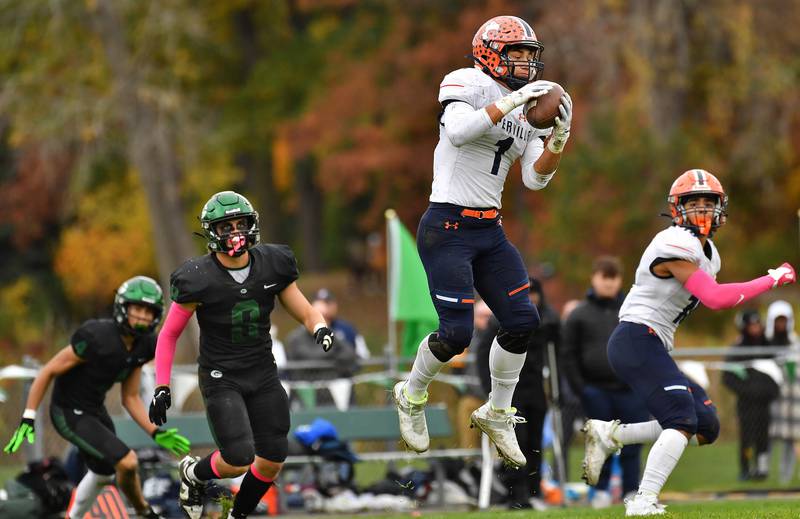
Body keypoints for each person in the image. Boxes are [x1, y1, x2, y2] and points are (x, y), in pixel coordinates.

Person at [392, 14, 573, 469]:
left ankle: (497, 412)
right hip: (447, 225)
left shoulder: (528, 105)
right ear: (490, 53)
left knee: (521, 321)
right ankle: (411, 394)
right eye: (516, 54)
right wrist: (511, 102)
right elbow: (458, 131)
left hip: (488, 229)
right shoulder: (466, 81)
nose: (525, 65)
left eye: (530, 57)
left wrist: (558, 139)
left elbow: (535, 180)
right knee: (456, 334)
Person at [580, 169, 796, 516]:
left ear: (720, 209)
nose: (701, 210)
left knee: (706, 424)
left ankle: (612, 436)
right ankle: (643, 499)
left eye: (707, 203)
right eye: (692, 203)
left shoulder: (710, 254)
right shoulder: (673, 243)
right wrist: (771, 278)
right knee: (680, 417)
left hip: (652, 342)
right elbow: (716, 298)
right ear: (676, 209)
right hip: (636, 337)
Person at [147, 191, 336, 519]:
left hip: (262, 370)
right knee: (237, 458)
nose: (235, 232)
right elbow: (169, 334)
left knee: (273, 457)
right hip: (222, 375)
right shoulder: (198, 277)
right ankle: (193, 474)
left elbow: (304, 309)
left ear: (252, 225)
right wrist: (162, 385)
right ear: (212, 233)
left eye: (240, 223)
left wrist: (319, 327)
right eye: (226, 226)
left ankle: (237, 515)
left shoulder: (272, 264)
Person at [4, 276, 190, 519]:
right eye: (137, 308)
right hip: (68, 411)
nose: (143, 316)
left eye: (149, 310)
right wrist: (28, 416)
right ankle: (145, 512)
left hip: (94, 410)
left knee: (104, 472)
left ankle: (73, 517)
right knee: (128, 462)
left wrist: (155, 432)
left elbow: (130, 397)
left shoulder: (144, 345)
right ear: (123, 307)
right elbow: (47, 370)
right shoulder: (96, 336)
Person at [562, 256, 649, 507]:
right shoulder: (579, 314)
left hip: (631, 388)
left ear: (620, 280)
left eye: (614, 278)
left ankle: (632, 490)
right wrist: (583, 389)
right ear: (594, 278)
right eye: (604, 277)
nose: (609, 284)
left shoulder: (632, 309)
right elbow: (568, 355)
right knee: (602, 441)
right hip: (596, 390)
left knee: (633, 442)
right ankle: (600, 491)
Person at [722, 309, 779, 480]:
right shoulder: (737, 350)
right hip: (746, 403)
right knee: (746, 438)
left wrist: (769, 392)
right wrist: (748, 391)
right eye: (751, 325)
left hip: (765, 403)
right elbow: (728, 378)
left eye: (757, 324)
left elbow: (777, 374)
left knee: (763, 438)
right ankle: (745, 469)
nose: (755, 328)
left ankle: (762, 470)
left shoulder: (769, 348)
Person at [766, 301, 800, 483]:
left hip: (792, 399)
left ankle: (785, 478)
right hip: (771, 398)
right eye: (777, 320)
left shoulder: (795, 343)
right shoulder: (765, 343)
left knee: (790, 438)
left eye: (784, 320)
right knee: (768, 438)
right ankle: (765, 474)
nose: (781, 325)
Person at [312, 288, 370, 361]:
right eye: (320, 304)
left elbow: (363, 355)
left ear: (334, 305)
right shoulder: (305, 331)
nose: (324, 309)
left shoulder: (348, 329)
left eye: (327, 304)